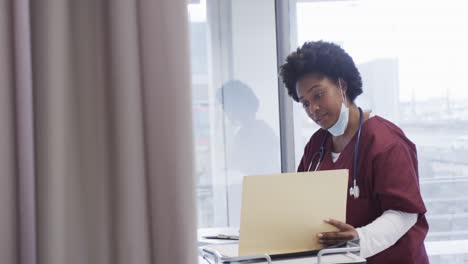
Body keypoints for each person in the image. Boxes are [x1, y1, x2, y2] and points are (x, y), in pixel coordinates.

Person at [279, 41, 429, 263]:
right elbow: (303, 200)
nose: (313, 109)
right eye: (305, 103)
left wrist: (361, 238)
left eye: (318, 95)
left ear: (342, 85)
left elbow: (404, 213)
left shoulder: (385, 142)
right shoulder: (317, 145)